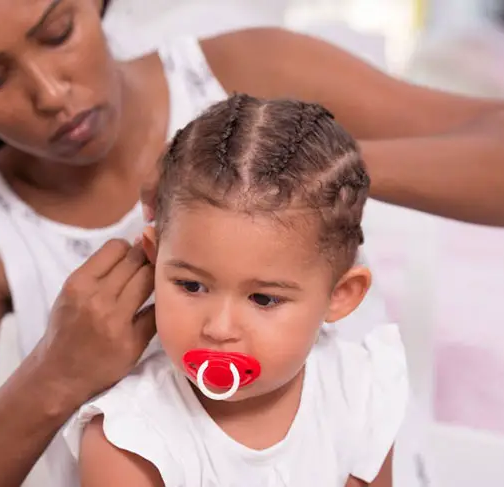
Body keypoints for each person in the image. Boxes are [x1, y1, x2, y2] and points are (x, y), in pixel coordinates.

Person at [0, 0, 504, 486]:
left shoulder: (250, 73)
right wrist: (54, 375)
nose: (51, 93)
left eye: (57, 30)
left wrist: (305, 179)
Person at [66, 94, 409, 487]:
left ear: (340, 295)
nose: (219, 327)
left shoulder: (361, 391)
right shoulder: (130, 440)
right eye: (191, 285)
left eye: (263, 298)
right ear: (155, 257)